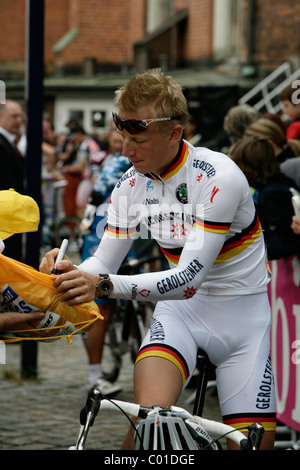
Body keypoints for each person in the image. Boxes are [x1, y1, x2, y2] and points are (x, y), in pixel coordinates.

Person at [39, 69, 276, 450]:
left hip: (243, 322)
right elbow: (103, 262)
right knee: (147, 427)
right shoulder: (130, 185)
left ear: (174, 132)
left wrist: (100, 285)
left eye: (137, 140)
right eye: (122, 139)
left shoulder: (218, 175)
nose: (125, 151)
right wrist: (72, 272)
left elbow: (186, 280)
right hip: (180, 315)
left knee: (249, 446)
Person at [230, 136, 300, 260]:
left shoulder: (272, 194)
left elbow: (287, 235)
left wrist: (265, 250)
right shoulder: (280, 181)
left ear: (248, 167)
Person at [0, 100, 26, 261]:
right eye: (14, 116)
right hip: (6, 221)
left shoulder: (9, 142)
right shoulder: (1, 145)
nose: (19, 121)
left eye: (20, 116)